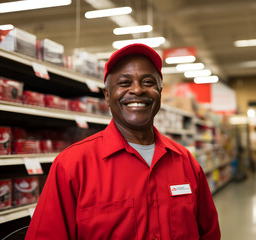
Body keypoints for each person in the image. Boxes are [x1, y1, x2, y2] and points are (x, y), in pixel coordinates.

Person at [25, 43, 220, 240]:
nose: (137, 90)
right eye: (125, 83)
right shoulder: (72, 165)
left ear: (160, 93)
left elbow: (209, 233)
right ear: (107, 96)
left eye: (148, 82)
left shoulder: (185, 162)